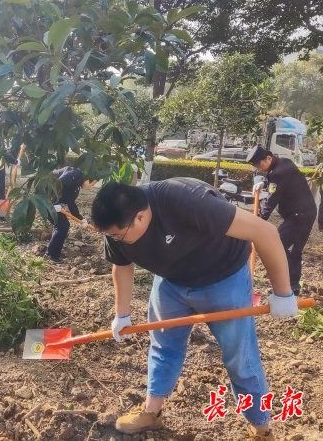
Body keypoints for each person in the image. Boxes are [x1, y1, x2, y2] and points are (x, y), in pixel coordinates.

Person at [91, 178, 298, 440]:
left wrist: (283, 293)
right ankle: (151, 413)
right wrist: (122, 313)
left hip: (223, 277)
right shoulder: (117, 224)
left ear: (140, 218)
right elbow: (121, 265)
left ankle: (261, 427)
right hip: (172, 281)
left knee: (239, 356)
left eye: (116, 235)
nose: (113, 240)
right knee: (163, 345)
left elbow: (265, 231)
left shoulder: (186, 200)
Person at [247, 145, 316, 295]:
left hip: (300, 216)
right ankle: (292, 284)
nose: (259, 168)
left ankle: (290, 285)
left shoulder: (279, 172)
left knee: (280, 246)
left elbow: (271, 201)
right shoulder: (284, 162)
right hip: (301, 213)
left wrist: (257, 221)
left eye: (260, 164)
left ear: (269, 158)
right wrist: (265, 183)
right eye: (256, 166)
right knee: (291, 249)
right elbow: (277, 183)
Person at [44, 166, 97, 263]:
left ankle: (53, 253)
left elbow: (71, 203)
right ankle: (51, 255)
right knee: (63, 226)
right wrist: (52, 203)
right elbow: (57, 184)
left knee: (61, 226)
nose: (91, 187)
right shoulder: (74, 174)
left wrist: (81, 220)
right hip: (45, 200)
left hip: (53, 203)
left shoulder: (76, 183)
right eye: (92, 184)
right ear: (88, 179)